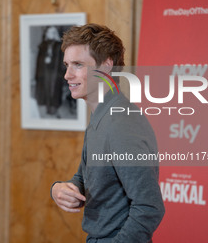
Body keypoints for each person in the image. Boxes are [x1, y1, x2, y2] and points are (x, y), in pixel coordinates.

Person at [50, 23, 165, 243]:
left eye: (78, 65)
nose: (67, 75)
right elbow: (86, 178)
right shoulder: (101, 117)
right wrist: (58, 189)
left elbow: (149, 207)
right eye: (67, 65)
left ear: (106, 66)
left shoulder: (122, 124)